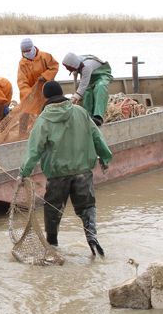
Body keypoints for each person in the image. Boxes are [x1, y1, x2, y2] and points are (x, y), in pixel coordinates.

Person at [18, 80, 112, 257]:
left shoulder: (44, 120)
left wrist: (24, 172)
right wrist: (105, 157)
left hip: (57, 175)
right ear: (62, 94)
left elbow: (34, 150)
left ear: (46, 98)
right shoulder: (81, 112)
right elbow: (97, 137)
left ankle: (52, 245)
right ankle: (92, 239)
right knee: (87, 208)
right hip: (83, 173)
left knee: (53, 210)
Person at [61, 53, 113, 126]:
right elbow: (82, 86)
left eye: (68, 67)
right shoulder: (77, 62)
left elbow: (83, 85)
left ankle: (98, 117)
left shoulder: (87, 66)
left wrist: (74, 98)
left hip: (102, 75)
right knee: (87, 92)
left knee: (100, 87)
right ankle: (87, 117)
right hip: (90, 77)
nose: (67, 69)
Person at [17, 38, 59, 105]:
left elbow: (54, 67)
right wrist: (28, 94)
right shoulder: (22, 64)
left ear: (32, 47)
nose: (26, 53)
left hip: (47, 92)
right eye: (24, 51)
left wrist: (44, 76)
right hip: (32, 95)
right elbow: (22, 82)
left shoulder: (45, 56)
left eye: (28, 50)